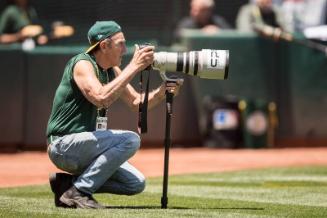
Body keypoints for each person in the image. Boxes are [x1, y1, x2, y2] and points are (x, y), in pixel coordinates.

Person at [47, 21, 182, 209]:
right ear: (104, 45)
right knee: (130, 140)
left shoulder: (111, 70)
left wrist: (162, 92)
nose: (125, 50)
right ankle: (80, 192)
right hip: (64, 145)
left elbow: (136, 103)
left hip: (87, 148)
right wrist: (134, 66)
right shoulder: (82, 63)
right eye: (121, 43)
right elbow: (101, 98)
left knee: (135, 183)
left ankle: (68, 185)